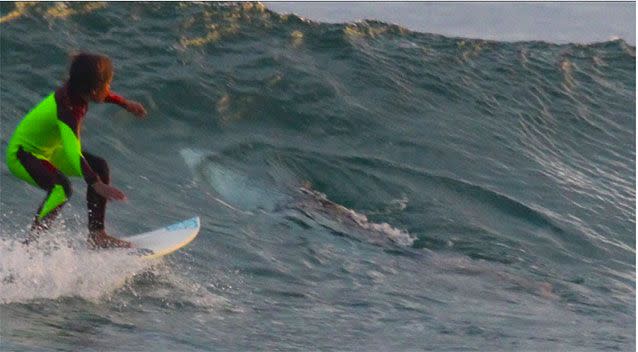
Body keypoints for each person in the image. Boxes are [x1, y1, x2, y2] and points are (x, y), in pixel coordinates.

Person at [5, 53, 147, 248]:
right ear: (91, 90)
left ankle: (97, 235)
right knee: (61, 188)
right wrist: (95, 183)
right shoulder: (67, 110)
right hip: (23, 154)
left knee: (99, 166)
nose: (109, 89)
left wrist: (125, 103)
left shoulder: (76, 91)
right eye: (106, 84)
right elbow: (73, 150)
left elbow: (101, 94)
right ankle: (30, 245)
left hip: (49, 151)